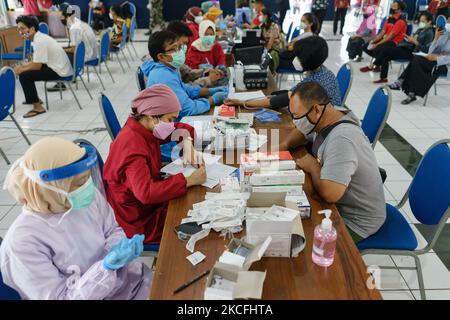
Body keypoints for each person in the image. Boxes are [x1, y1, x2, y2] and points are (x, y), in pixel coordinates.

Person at [0, 137, 152, 299]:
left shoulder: (82, 200)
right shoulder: (23, 243)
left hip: (130, 282)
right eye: (80, 182)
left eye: (88, 177)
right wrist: (105, 268)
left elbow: (112, 230)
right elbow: (61, 297)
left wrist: (118, 250)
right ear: (51, 188)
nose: (88, 186)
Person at [103, 85, 207, 245]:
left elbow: (182, 129)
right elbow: (146, 194)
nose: (172, 123)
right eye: (170, 119)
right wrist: (189, 180)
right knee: (200, 220)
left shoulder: (144, 128)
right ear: (152, 117)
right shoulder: (132, 147)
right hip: (141, 220)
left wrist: (188, 145)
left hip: (148, 206)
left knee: (198, 206)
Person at [286, 82, 386, 243]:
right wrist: (281, 146)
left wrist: (312, 166)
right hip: (340, 205)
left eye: (297, 116)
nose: (295, 121)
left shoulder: (342, 139)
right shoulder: (332, 114)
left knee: (295, 238)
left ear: (317, 110)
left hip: (355, 221)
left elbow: (330, 193)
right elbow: (302, 132)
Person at [224, 36, 342, 109]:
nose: (295, 59)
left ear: (308, 60)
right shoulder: (324, 72)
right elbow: (290, 94)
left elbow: (278, 101)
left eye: (298, 57)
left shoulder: (313, 84)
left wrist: (243, 102)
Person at [141, 30, 227, 120]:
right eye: (173, 49)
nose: (179, 52)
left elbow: (183, 88)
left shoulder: (169, 67)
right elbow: (188, 109)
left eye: (179, 47)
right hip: (170, 125)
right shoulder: (163, 76)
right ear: (161, 56)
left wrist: (209, 91)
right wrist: (212, 100)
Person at [13, 15, 72, 118]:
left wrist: (20, 69)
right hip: (59, 67)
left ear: (32, 29)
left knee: (24, 76)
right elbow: (37, 62)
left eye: (22, 28)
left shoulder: (39, 41)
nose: (20, 32)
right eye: (18, 29)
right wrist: (22, 68)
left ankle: (38, 107)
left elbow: (37, 66)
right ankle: (35, 98)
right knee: (24, 72)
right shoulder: (39, 37)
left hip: (59, 71)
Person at [388, 18, 450, 104]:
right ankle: (410, 92)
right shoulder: (446, 35)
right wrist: (436, 38)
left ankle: (402, 83)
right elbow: (431, 51)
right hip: (435, 60)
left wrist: (437, 58)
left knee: (417, 62)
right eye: (448, 21)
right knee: (417, 60)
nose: (448, 23)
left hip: (446, 66)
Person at [371, 12, 435, 84]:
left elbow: (426, 50)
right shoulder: (420, 30)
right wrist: (408, 38)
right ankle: (383, 77)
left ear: (429, 22)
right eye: (420, 21)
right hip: (407, 47)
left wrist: (415, 42)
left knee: (386, 51)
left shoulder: (430, 33)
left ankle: (374, 65)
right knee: (385, 53)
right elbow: (413, 40)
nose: (421, 23)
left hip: (414, 53)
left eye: (423, 21)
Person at [48, 3, 98, 92]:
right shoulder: (77, 22)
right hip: (91, 53)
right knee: (64, 52)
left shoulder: (74, 28)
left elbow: (75, 49)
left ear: (65, 16)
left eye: (60, 16)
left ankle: (61, 82)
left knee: (59, 55)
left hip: (87, 55)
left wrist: (61, 50)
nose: (59, 19)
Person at [167, 20, 224, 87]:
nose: (183, 48)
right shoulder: (165, 72)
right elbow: (183, 89)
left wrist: (207, 72)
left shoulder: (176, 62)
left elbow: (188, 73)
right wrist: (208, 80)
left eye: (211, 34)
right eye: (181, 45)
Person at [360, 1, 407, 73]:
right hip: (385, 39)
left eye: (394, 7)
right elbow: (382, 33)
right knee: (366, 46)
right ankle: (379, 63)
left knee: (379, 48)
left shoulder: (400, 21)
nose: (391, 8)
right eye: (392, 6)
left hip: (394, 42)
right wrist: (374, 41)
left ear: (399, 10)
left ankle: (372, 65)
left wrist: (377, 44)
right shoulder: (389, 19)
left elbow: (390, 37)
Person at [260, 8, 283, 73]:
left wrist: (265, 52)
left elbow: (271, 42)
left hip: (275, 50)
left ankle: (269, 74)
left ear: (266, 16)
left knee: (265, 59)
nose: (260, 17)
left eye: (261, 15)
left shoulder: (274, 26)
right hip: (267, 48)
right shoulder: (263, 26)